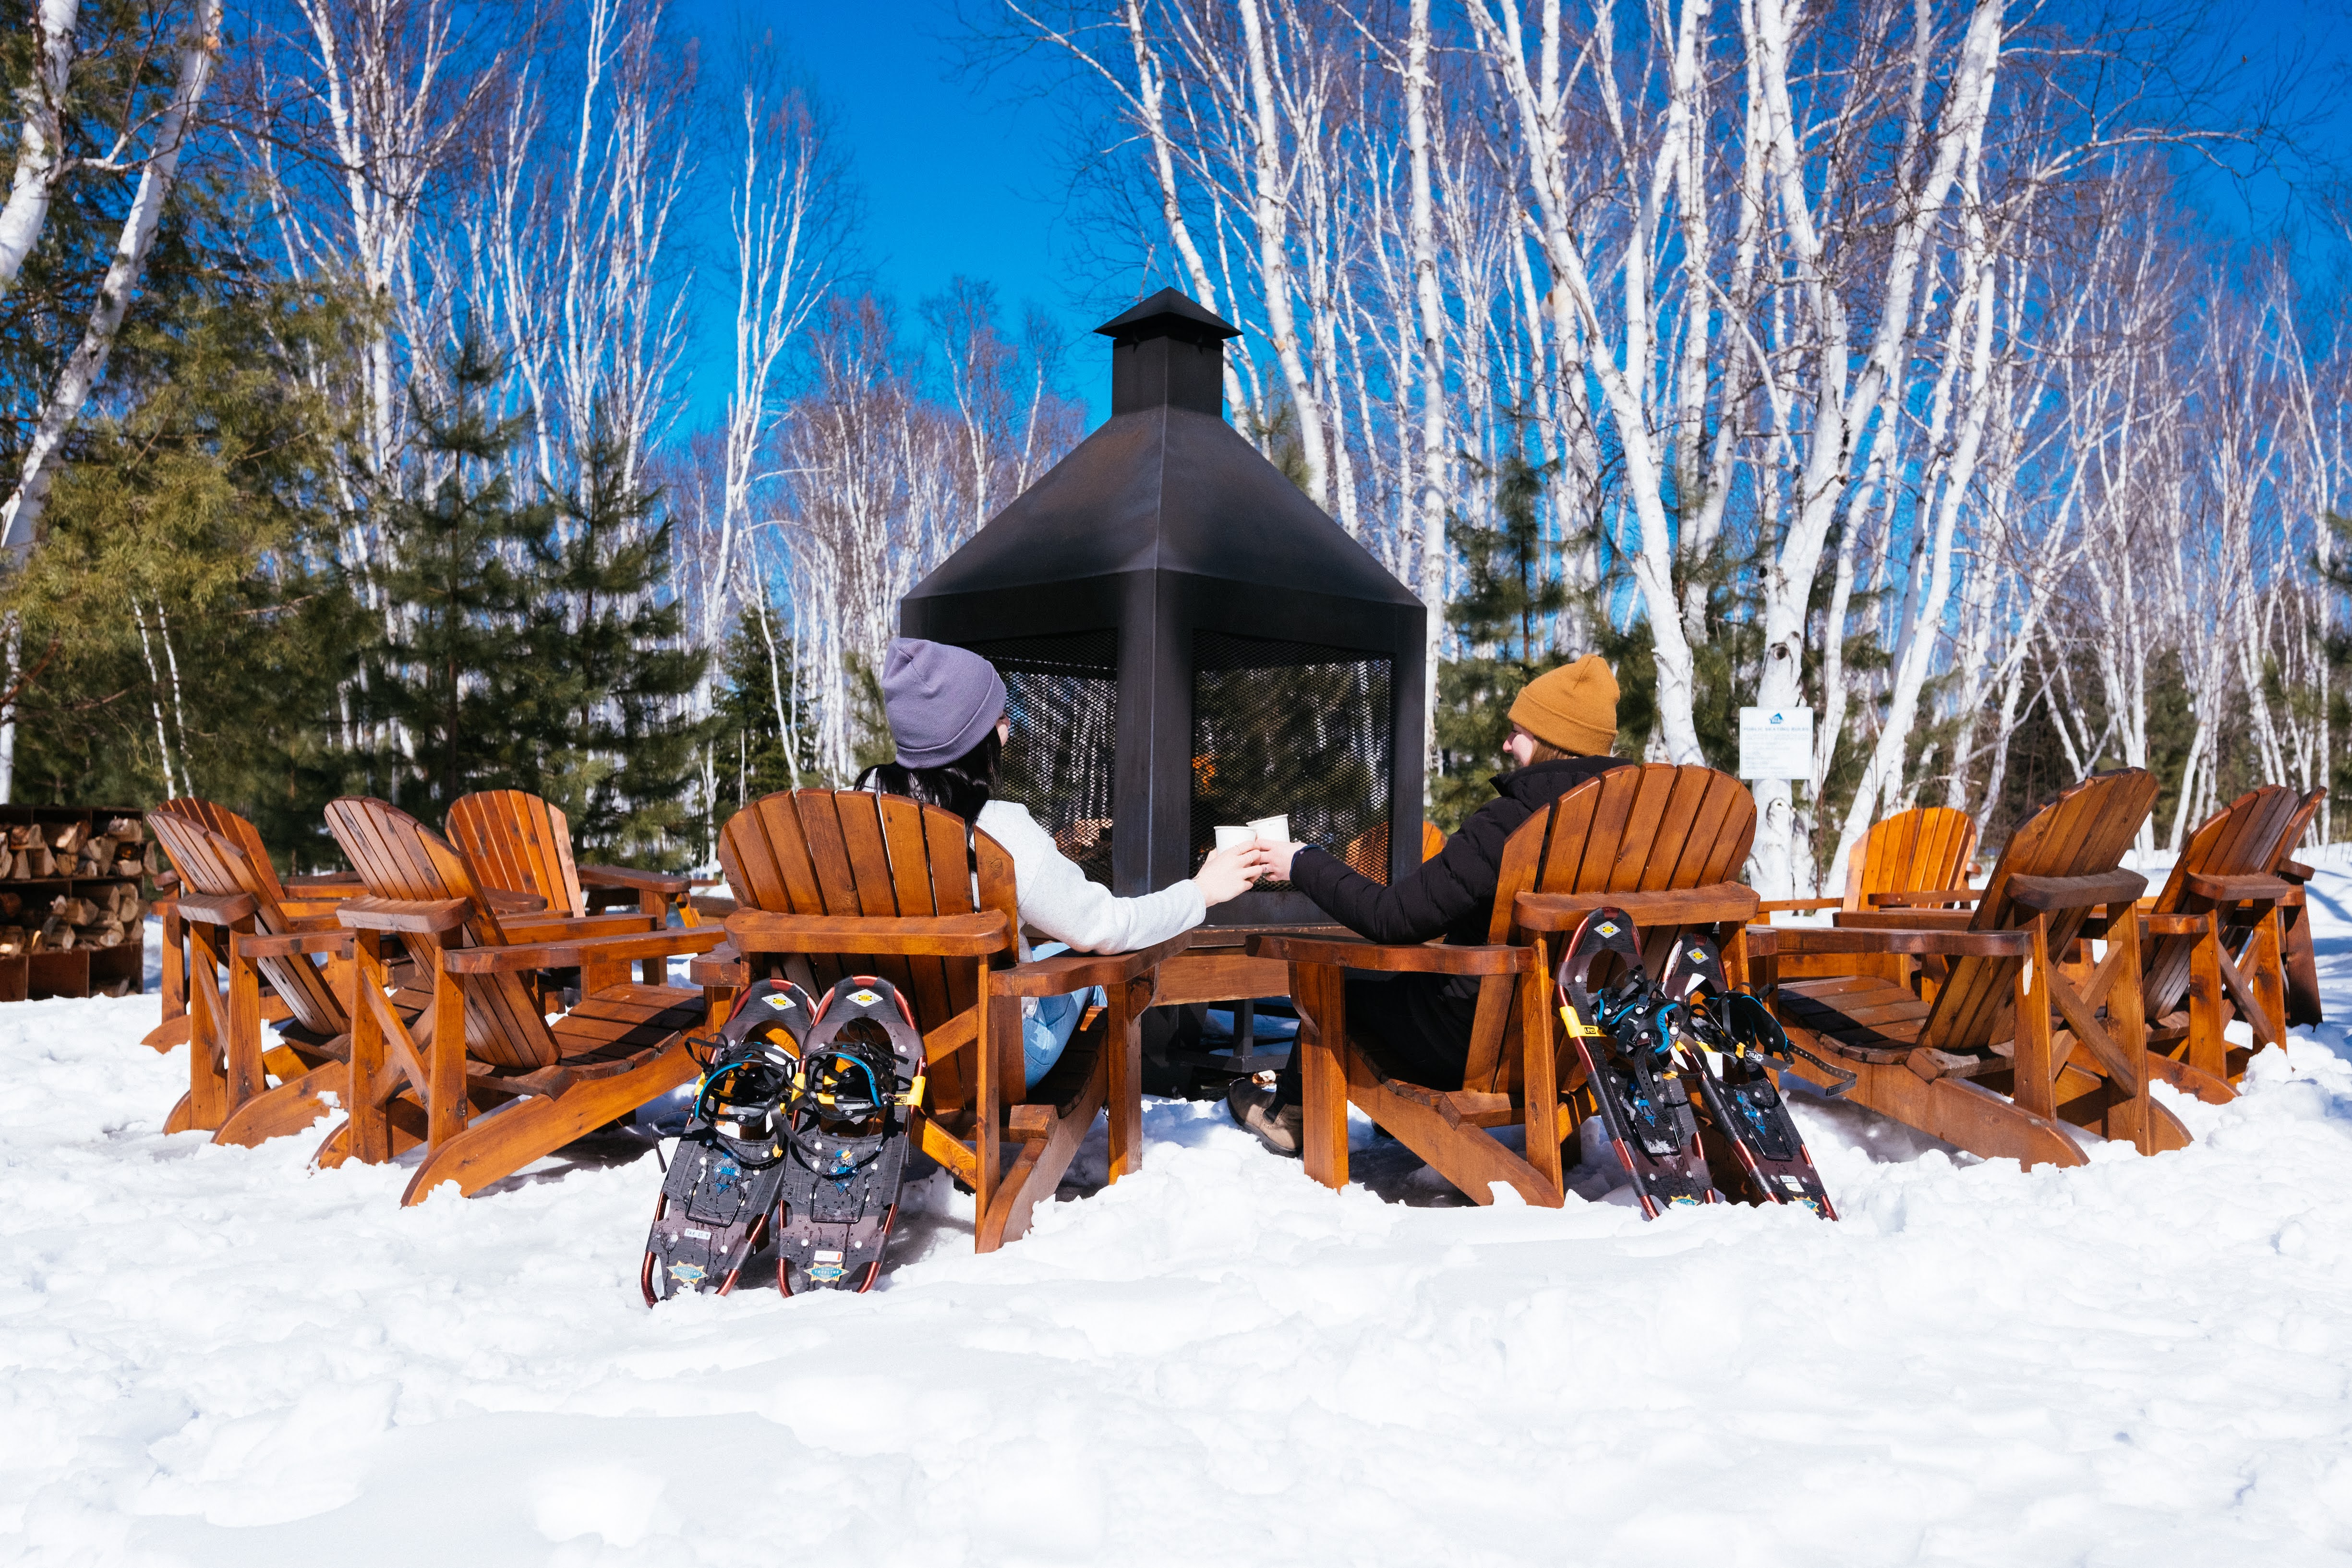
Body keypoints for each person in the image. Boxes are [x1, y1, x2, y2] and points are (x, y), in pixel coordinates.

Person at [1230, 654, 1634, 1156]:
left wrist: (1303, 861)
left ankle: (1290, 1114)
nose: (1507, 743)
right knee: (1401, 987)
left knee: (1335, 984)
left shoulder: (1512, 822)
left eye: (1519, 731)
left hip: (1475, 1046)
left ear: (1554, 739)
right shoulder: (1640, 828)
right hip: (1579, 1042)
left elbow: (1392, 917)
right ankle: (1383, 1110)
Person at [860, 638, 1270, 1087]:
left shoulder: (841, 822)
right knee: (1099, 964)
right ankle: (1127, 1099)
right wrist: (1202, 890)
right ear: (972, 736)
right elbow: (1107, 929)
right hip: (989, 1058)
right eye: (998, 717)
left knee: (1054, 952)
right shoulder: (998, 828)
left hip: (869, 1046)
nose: (1008, 728)